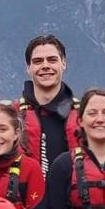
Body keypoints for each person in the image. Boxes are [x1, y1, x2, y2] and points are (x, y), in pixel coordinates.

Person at [16, 33, 81, 177]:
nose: (45, 66)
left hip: (76, 196)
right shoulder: (11, 117)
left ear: (63, 64)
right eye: (38, 61)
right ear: (28, 68)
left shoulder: (85, 116)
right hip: (26, 197)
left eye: (52, 60)